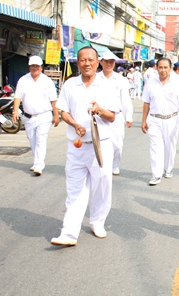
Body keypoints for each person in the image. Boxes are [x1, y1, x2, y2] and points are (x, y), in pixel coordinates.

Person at [50, 46, 120, 246]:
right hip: (77, 145)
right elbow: (63, 111)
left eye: (91, 60)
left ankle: (97, 222)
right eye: (83, 60)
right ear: (77, 63)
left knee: (102, 186)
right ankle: (69, 233)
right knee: (75, 189)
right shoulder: (70, 85)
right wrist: (74, 124)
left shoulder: (106, 86)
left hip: (101, 145)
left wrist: (99, 110)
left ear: (97, 62)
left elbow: (112, 116)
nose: (87, 63)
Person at [12, 55, 59, 176]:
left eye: (37, 66)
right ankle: (36, 161)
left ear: (41, 67)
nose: (35, 68)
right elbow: (18, 96)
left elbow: (54, 101)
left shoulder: (47, 82)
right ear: (29, 67)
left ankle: (39, 165)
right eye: (32, 66)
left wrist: (56, 115)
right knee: (32, 139)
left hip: (44, 116)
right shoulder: (23, 80)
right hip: (28, 116)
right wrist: (15, 111)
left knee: (40, 139)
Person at [142, 58, 179, 186]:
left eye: (166, 67)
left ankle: (168, 169)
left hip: (172, 119)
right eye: (160, 67)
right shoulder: (151, 83)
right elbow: (146, 102)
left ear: (170, 68)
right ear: (156, 68)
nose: (163, 70)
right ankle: (156, 175)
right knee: (155, 147)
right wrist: (144, 120)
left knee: (170, 147)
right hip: (154, 119)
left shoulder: (177, 82)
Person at [98, 51, 133, 175]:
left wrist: (128, 116)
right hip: (100, 116)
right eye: (106, 61)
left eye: (111, 62)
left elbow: (126, 99)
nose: (109, 64)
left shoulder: (121, 79)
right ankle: (103, 164)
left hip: (116, 116)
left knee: (118, 144)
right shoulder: (95, 78)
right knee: (100, 142)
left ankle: (115, 165)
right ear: (101, 62)